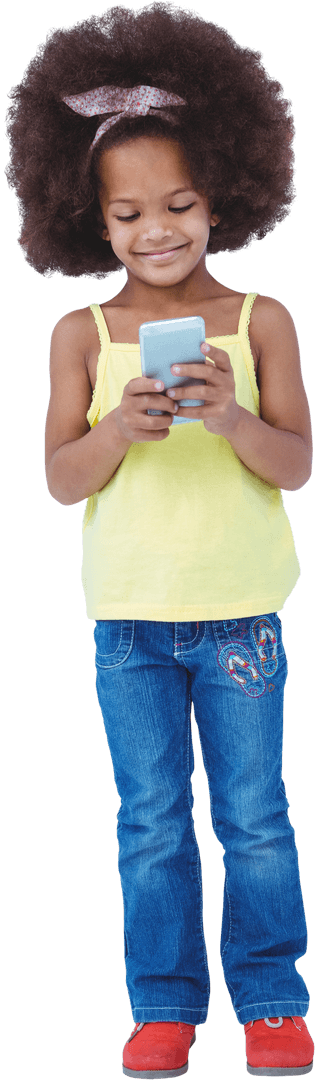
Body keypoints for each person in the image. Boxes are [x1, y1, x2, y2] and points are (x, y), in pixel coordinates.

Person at [5, 4, 314, 1076]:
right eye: (129, 212)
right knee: (151, 827)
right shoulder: (78, 337)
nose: (158, 231)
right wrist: (123, 433)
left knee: (257, 821)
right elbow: (55, 481)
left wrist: (230, 416)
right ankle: (165, 1005)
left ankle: (275, 1001)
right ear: (90, 218)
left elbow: (296, 463)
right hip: (129, 625)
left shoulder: (261, 321)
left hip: (240, 617)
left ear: (221, 193)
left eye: (178, 204)